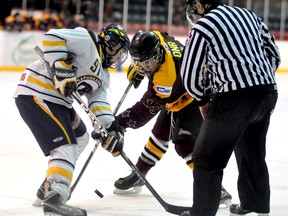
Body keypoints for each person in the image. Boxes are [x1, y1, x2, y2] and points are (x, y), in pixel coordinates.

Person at [14, 24, 130, 216]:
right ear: (111, 45)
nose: (118, 58)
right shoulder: (86, 41)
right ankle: (55, 197)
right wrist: (62, 67)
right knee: (66, 146)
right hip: (37, 92)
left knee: (81, 137)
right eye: (119, 53)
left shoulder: (103, 74)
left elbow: (98, 102)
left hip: (58, 102)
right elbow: (52, 37)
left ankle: (47, 186)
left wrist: (109, 128)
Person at [180, 0, 280, 216]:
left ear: (199, 4)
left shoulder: (204, 25)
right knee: (251, 151)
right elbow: (273, 52)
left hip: (234, 98)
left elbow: (189, 73)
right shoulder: (250, 16)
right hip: (267, 93)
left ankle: (202, 213)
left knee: (206, 159)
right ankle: (255, 206)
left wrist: (203, 100)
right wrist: (258, 79)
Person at [112, 30, 232, 205]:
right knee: (159, 135)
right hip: (182, 91)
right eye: (140, 62)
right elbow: (163, 34)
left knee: (185, 145)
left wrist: (119, 122)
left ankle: (215, 187)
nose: (145, 66)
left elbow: (144, 110)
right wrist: (141, 67)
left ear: (158, 54)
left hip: (195, 98)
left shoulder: (165, 78)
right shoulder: (158, 39)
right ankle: (139, 174)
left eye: (148, 62)